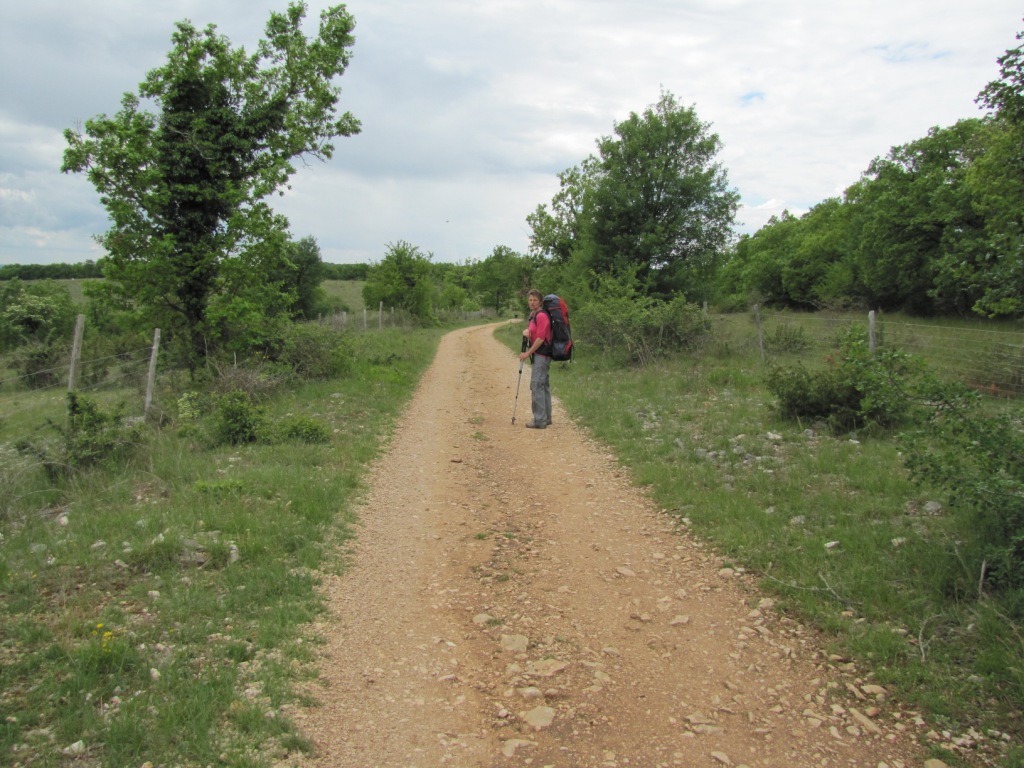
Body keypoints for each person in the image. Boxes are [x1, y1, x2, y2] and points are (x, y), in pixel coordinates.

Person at [518, 289, 553, 429]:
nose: (532, 302)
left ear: (540, 302)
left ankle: (539, 420)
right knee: (543, 385)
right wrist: (528, 333)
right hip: (539, 355)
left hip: (542, 355)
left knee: (537, 385)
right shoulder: (534, 315)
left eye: (535, 300)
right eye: (530, 300)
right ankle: (546, 417)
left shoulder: (542, 316)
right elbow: (535, 334)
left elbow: (540, 339)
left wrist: (527, 353)